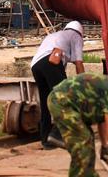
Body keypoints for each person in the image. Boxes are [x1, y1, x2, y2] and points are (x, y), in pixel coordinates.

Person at [31, 21, 87, 149]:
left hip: (35, 65)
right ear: (80, 32)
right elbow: (78, 62)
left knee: (46, 102)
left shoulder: (54, 35)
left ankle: (45, 140)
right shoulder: (76, 36)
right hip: (51, 62)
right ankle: (56, 134)